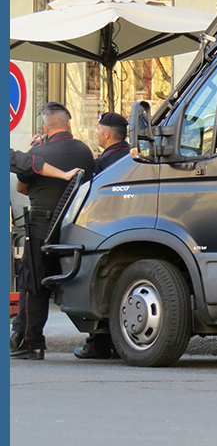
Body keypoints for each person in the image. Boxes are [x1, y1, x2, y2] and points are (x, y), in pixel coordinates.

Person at [11, 102, 95, 360]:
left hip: (40, 226)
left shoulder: (39, 150)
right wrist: (65, 174)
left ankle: (30, 342)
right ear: (69, 123)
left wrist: (38, 148)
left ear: (45, 128)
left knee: (32, 283)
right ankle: (100, 339)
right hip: (78, 226)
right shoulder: (85, 151)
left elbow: (22, 186)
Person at [70, 112, 131, 359]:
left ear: (107, 134)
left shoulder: (104, 163)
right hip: (130, 231)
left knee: (98, 286)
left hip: (103, 231)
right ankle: (119, 342)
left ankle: (98, 343)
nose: (96, 134)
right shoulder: (131, 157)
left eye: (98, 130)